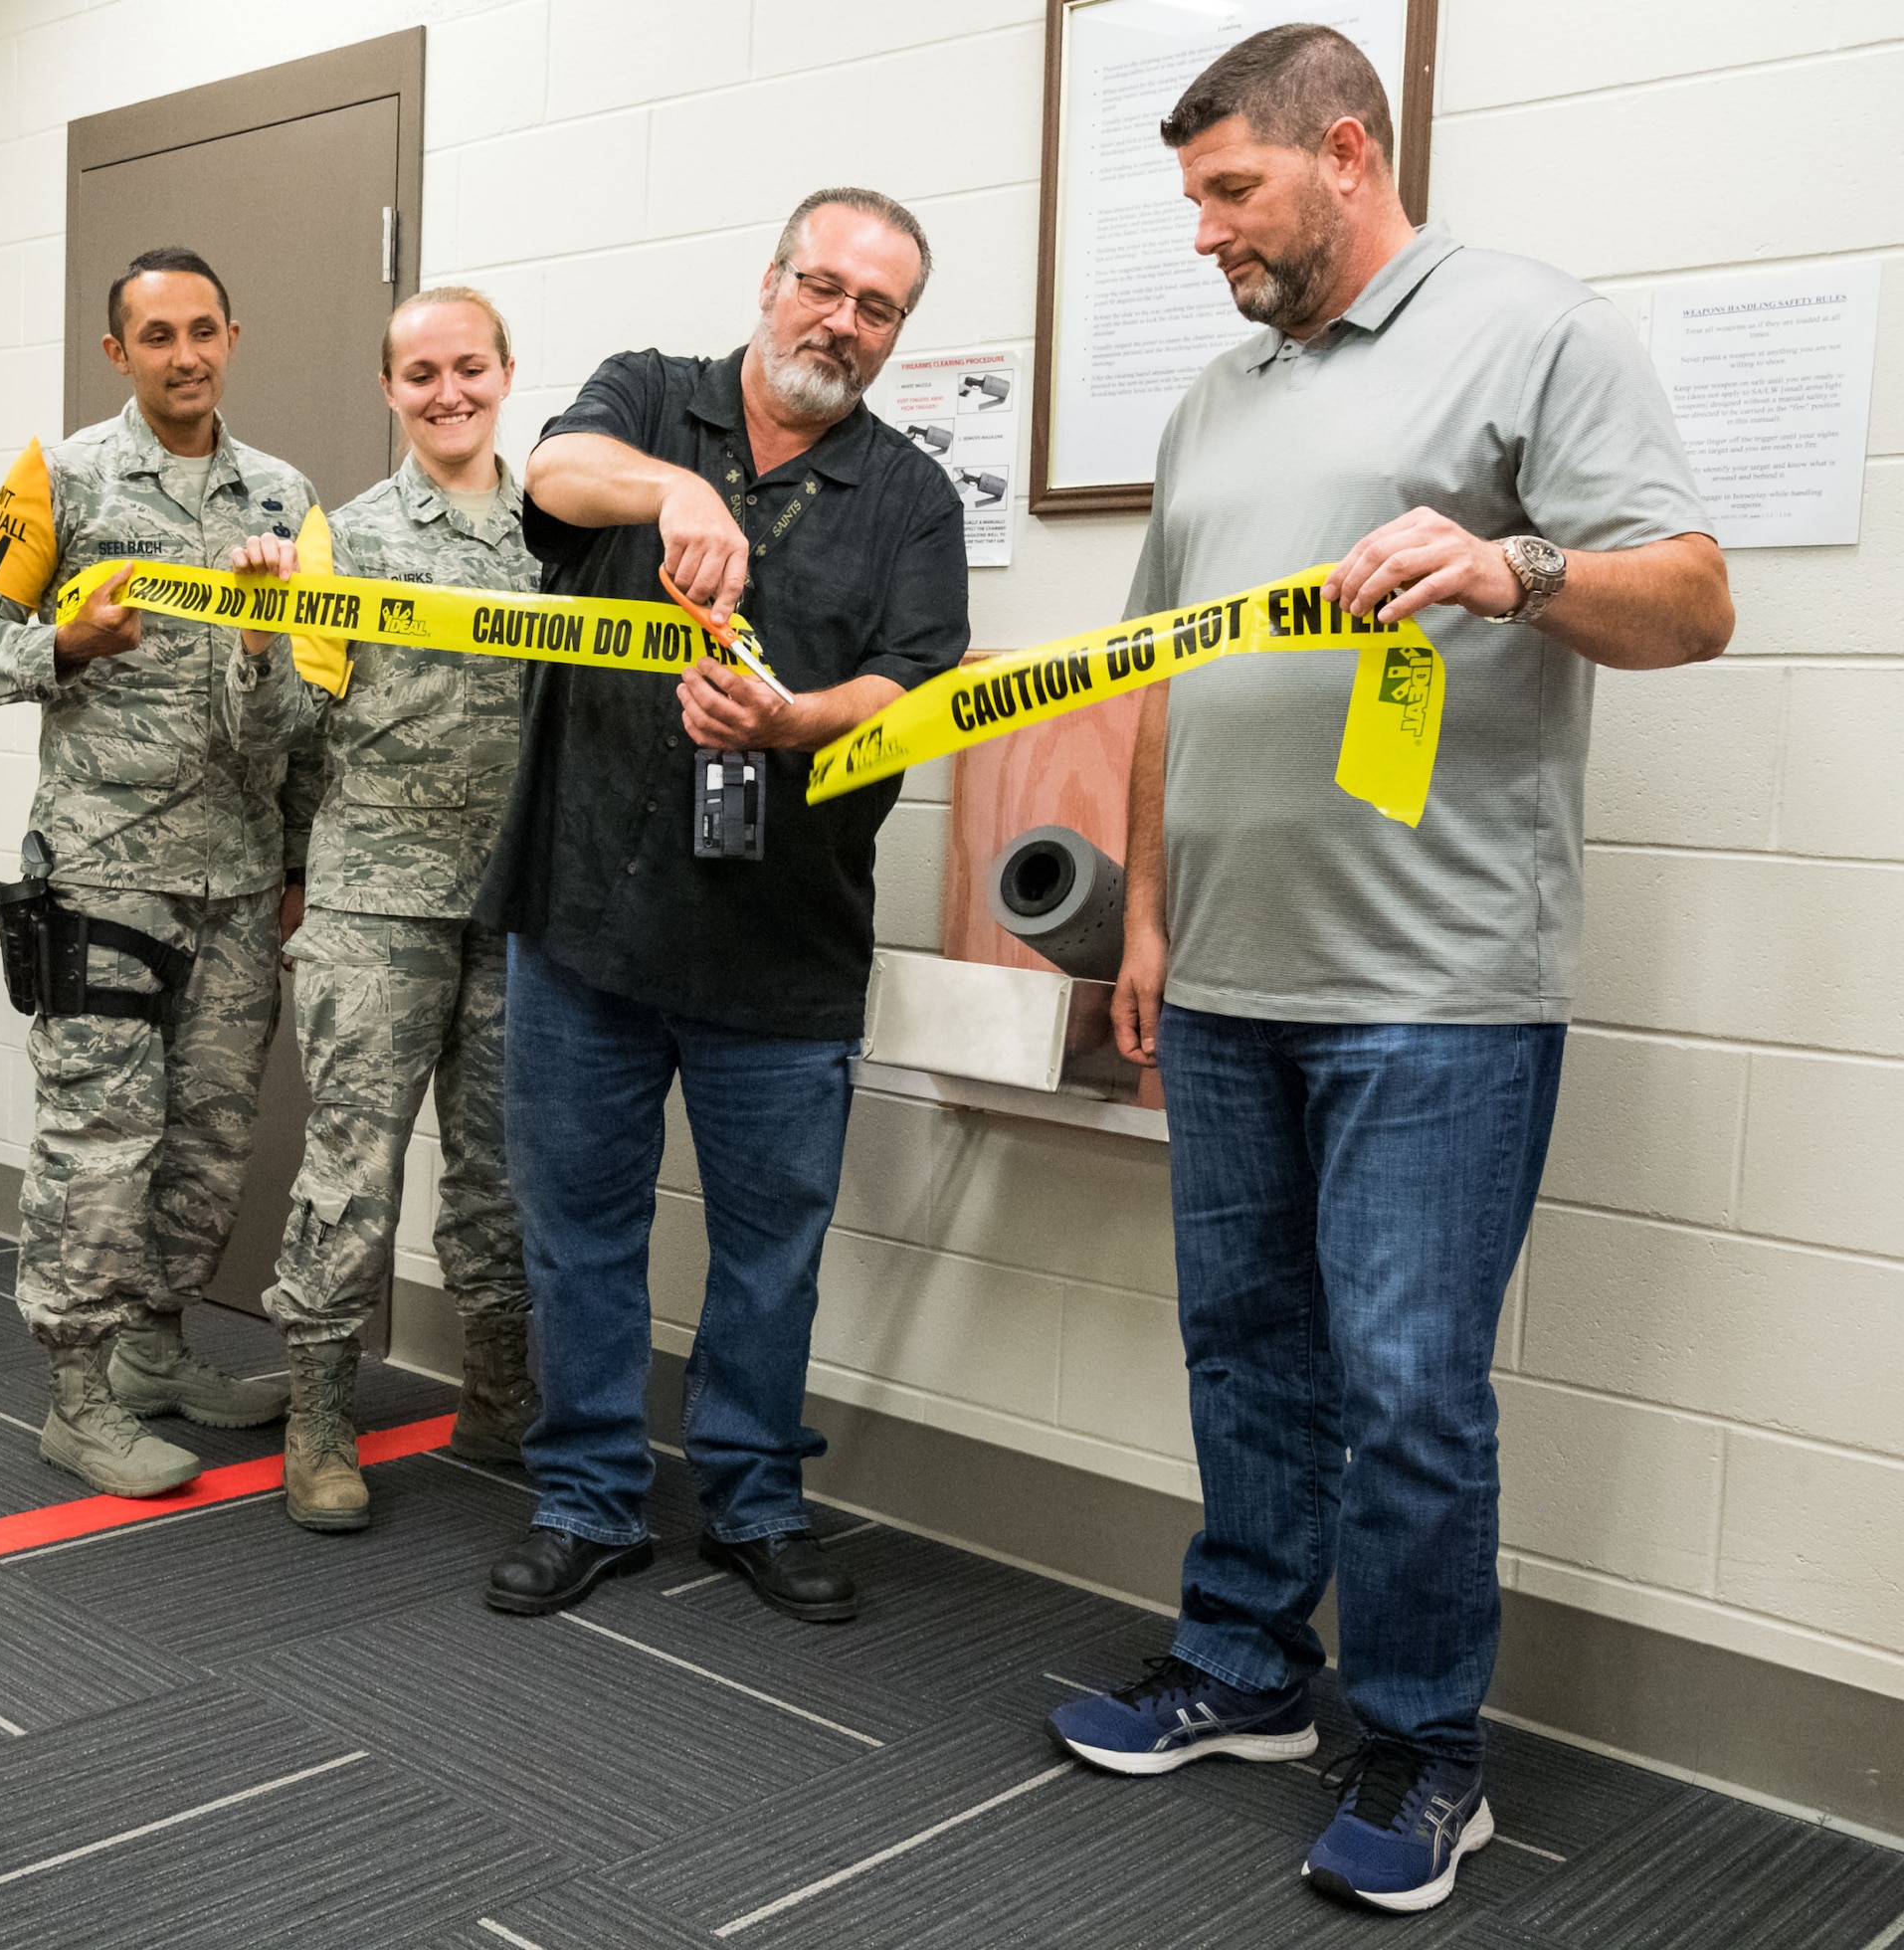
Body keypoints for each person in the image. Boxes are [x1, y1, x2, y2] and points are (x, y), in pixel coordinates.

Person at [1046, 27, 1734, 1916]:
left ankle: (1430, 1754)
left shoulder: (1534, 328)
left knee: (1413, 1385)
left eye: (1229, 192)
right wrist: (1154, 920)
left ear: (1345, 152)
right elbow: (1170, 668)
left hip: (1438, 988)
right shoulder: (1217, 397)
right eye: (1189, 200)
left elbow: (1694, 595)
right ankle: (1251, 1666)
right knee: (1242, 1342)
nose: (1203, 233)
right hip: (1229, 972)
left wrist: (1515, 572)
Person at [475, 187, 967, 1623]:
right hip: (587, 920)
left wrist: (798, 722)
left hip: (782, 945)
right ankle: (589, 1500)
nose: (841, 322)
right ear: (769, 281)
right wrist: (673, 490)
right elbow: (558, 475)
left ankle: (754, 1500)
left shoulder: (913, 498)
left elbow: (919, 690)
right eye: (822, 286)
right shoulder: (650, 397)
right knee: (579, 1229)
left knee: (772, 1250)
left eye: (877, 309)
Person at [0, 247, 315, 1496]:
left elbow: (309, 698)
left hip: (238, 884)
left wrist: (297, 861)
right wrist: (66, 642)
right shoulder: (63, 476)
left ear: (233, 336)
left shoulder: (283, 496)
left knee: (208, 1143)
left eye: (204, 330)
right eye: (157, 336)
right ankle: (76, 1395)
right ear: (118, 352)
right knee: (99, 1142)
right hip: (102, 875)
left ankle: (155, 1352)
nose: (185, 354)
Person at [226, 288, 537, 1532]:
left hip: (520, 905)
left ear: (506, 370)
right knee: (351, 1173)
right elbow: (276, 739)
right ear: (389, 388)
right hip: (375, 904)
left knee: (502, 1172)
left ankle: (505, 1397)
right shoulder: (337, 542)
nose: (447, 391)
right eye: (420, 374)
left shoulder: (559, 535)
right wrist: (254, 641)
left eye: (468, 366)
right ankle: (318, 1420)